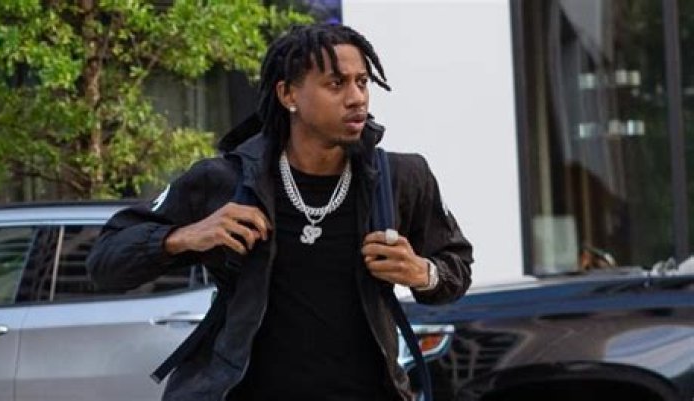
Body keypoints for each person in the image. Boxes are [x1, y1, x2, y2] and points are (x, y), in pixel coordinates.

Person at [86, 23, 473, 401]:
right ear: (288, 94)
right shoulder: (223, 181)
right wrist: (184, 237)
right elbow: (105, 262)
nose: (357, 98)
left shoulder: (402, 178)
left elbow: (455, 267)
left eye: (362, 82)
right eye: (336, 84)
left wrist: (422, 272)